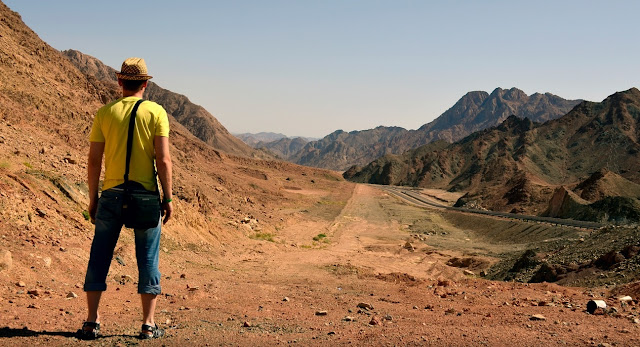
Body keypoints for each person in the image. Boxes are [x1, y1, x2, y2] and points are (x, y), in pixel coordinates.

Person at [78, 57, 173, 340]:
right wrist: (168, 198)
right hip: (145, 196)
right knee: (147, 258)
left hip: (111, 195)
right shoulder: (156, 112)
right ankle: (148, 324)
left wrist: (93, 198)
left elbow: (94, 161)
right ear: (146, 84)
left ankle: (91, 322)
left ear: (120, 82)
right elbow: (164, 160)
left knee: (99, 256)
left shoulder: (104, 113)